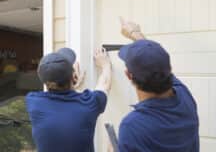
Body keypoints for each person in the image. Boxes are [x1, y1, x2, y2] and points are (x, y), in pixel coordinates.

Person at [117, 18, 199, 152]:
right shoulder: (185, 99)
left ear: (128, 75)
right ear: (169, 68)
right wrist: (136, 33)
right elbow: (155, 61)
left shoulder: (132, 126)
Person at [26, 47, 112, 152]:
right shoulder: (89, 104)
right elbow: (105, 84)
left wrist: (72, 85)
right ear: (73, 76)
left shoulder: (33, 102)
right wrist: (105, 65)